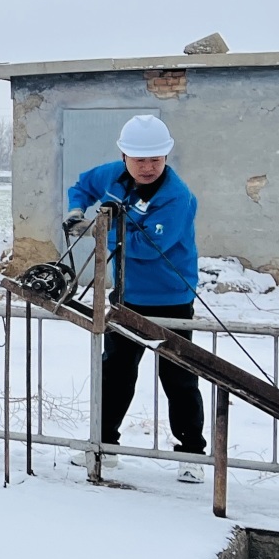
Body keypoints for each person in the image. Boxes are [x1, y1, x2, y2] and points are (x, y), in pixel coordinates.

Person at [64, 113, 205, 481]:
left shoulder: (176, 197)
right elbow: (82, 185)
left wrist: (97, 230)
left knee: (178, 377)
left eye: (155, 160)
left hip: (171, 297)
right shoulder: (111, 175)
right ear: (124, 155)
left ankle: (192, 454)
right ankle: (104, 446)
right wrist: (76, 209)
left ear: (166, 157)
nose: (148, 167)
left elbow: (146, 246)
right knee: (116, 372)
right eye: (140, 159)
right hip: (127, 297)